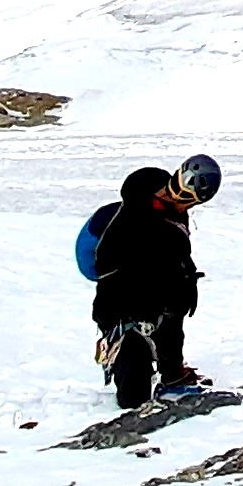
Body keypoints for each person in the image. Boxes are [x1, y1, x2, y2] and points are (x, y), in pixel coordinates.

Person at [92, 163, 206, 407]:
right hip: (122, 309)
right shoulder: (135, 217)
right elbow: (114, 266)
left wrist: (186, 283)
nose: (179, 200)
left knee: (170, 327)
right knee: (134, 396)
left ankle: (173, 374)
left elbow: (177, 257)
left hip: (159, 302)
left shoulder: (173, 217)